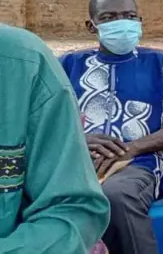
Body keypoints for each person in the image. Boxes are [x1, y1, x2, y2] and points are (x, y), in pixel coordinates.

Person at [59, 0, 163, 254]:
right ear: (92, 26)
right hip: (74, 161)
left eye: (129, 16)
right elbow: (42, 118)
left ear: (139, 22)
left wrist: (131, 148)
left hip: (138, 164)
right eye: (109, 17)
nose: (121, 23)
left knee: (116, 197)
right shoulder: (67, 65)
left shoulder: (160, 64)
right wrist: (79, 139)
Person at [0, 24, 109, 253]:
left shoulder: (25, 63)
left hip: (123, 159)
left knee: (122, 195)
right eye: (110, 17)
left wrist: (137, 147)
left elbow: (72, 207)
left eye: (129, 16)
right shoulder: (74, 63)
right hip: (87, 153)